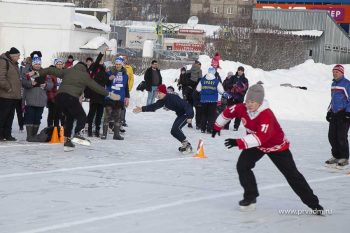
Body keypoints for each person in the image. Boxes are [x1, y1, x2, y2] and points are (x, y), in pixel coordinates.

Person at [211, 84, 324, 214]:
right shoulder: (242, 108)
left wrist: (238, 142)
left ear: (259, 102)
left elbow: (261, 137)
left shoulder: (266, 115)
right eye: (248, 101)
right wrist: (217, 126)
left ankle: (314, 204)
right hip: (256, 144)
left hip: (276, 146)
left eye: (253, 102)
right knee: (242, 166)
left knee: (292, 175)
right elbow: (228, 112)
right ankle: (250, 196)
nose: (249, 104)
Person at [28, 61, 120, 151]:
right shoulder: (85, 76)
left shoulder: (67, 71)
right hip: (70, 97)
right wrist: (109, 94)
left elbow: (50, 70)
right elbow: (96, 87)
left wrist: (37, 73)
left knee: (70, 118)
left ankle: (67, 142)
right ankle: (77, 134)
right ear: (85, 68)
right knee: (82, 116)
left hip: (59, 98)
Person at [133, 84, 194, 153]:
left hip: (186, 113)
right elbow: (154, 106)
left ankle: (187, 145)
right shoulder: (162, 101)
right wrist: (141, 109)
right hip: (181, 115)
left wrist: (190, 116)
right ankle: (185, 144)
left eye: (159, 93)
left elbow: (186, 105)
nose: (157, 95)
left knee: (176, 129)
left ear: (164, 92)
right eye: (157, 93)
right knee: (173, 131)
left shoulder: (173, 98)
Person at [22, 54, 53, 141]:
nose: (37, 65)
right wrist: (30, 83)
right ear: (32, 64)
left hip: (41, 99)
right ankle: (29, 136)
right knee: (30, 117)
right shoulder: (28, 72)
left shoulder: (45, 72)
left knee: (38, 118)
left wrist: (46, 85)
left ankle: (34, 136)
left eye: (39, 64)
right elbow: (24, 82)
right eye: (36, 64)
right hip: (30, 98)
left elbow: (51, 84)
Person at [325, 64, 350, 168]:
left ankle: (344, 157)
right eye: (333, 72)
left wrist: (348, 113)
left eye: (337, 72)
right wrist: (329, 111)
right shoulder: (333, 84)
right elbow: (333, 100)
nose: (334, 73)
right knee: (331, 136)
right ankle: (336, 156)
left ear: (341, 73)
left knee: (341, 137)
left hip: (343, 113)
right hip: (335, 113)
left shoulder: (347, 84)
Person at [101, 56, 129, 140]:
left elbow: (126, 87)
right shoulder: (110, 72)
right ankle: (104, 134)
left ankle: (116, 134)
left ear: (122, 65)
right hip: (110, 96)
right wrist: (109, 79)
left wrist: (127, 97)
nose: (117, 66)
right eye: (116, 64)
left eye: (119, 64)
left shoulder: (125, 74)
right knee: (107, 115)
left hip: (120, 97)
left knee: (118, 116)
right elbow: (105, 82)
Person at [196, 67, 227, 134]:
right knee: (211, 115)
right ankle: (209, 129)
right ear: (214, 73)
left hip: (204, 100)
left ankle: (203, 129)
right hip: (213, 101)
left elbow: (198, 89)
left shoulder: (202, 80)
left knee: (204, 114)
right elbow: (221, 91)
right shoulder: (216, 81)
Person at [0, 47, 22, 141]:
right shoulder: (4, 61)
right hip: (6, 95)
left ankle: (7, 134)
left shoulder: (14, 63)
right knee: (3, 116)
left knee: (10, 116)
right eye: (18, 56)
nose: (19, 58)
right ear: (13, 56)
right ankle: (0, 135)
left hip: (13, 95)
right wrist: (8, 88)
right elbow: (1, 77)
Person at [85, 52, 107, 137]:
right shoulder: (93, 69)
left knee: (99, 114)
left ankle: (97, 130)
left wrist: (110, 79)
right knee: (92, 113)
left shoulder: (104, 70)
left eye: (102, 60)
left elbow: (107, 81)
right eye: (100, 60)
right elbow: (97, 62)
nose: (101, 61)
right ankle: (90, 130)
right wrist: (101, 54)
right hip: (94, 94)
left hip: (101, 95)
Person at [226, 66, 249, 131]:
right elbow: (228, 85)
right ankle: (226, 125)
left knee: (238, 113)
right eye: (239, 70)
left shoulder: (245, 79)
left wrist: (239, 90)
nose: (240, 71)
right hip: (231, 97)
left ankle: (236, 126)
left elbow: (246, 89)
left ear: (243, 72)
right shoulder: (233, 77)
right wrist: (233, 86)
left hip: (239, 98)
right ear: (237, 70)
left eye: (241, 71)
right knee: (229, 111)